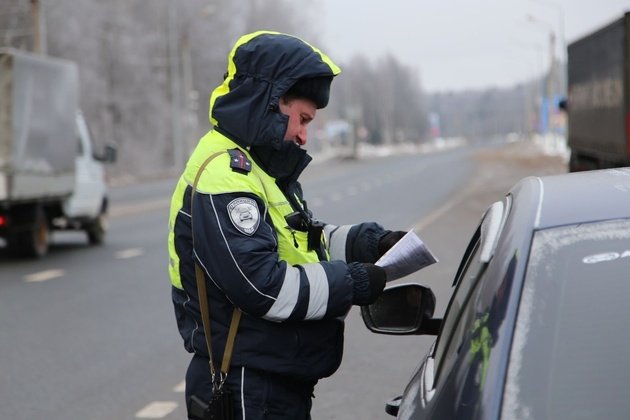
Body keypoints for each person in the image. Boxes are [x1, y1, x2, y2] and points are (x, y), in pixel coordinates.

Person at [167, 31, 406, 420]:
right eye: (303, 119)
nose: (304, 134)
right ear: (272, 104)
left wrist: (369, 243)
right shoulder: (225, 173)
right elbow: (264, 285)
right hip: (246, 388)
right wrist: (353, 282)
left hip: (270, 383)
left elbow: (295, 243)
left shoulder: (255, 167)